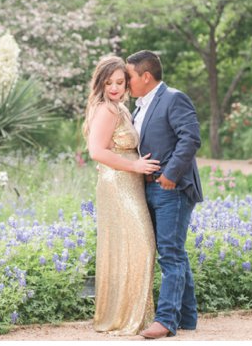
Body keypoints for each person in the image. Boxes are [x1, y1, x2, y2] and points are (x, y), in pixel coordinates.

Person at [125, 50, 203, 340]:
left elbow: (191, 137)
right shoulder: (139, 107)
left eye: (129, 76)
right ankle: (188, 317)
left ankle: (166, 321)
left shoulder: (173, 98)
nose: (126, 81)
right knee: (174, 251)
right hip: (149, 188)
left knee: (170, 253)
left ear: (146, 76)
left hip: (173, 188)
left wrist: (171, 174)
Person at [84, 55, 160, 335]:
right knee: (141, 244)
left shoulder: (122, 109)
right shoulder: (106, 109)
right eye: (109, 82)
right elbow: (97, 152)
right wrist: (135, 165)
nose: (115, 87)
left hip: (130, 182)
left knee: (133, 246)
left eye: (120, 82)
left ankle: (133, 315)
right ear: (101, 84)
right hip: (116, 182)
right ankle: (124, 316)